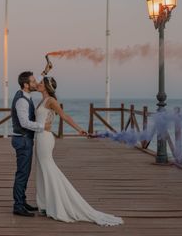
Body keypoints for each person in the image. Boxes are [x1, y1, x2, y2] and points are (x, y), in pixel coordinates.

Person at [35, 76, 124, 226]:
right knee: (40, 170)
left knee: (48, 169)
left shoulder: (51, 100)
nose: (38, 84)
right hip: (38, 137)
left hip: (45, 138)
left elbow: (64, 116)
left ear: (47, 87)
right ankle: (44, 204)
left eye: (41, 83)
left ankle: (58, 205)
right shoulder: (42, 100)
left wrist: (79, 129)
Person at [11, 71, 51, 217]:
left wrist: (45, 71)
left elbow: (37, 80)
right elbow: (24, 122)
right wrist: (42, 126)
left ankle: (22, 201)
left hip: (23, 139)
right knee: (22, 173)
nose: (36, 83)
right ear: (26, 85)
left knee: (25, 172)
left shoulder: (25, 94)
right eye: (33, 82)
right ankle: (18, 206)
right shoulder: (22, 100)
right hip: (22, 140)